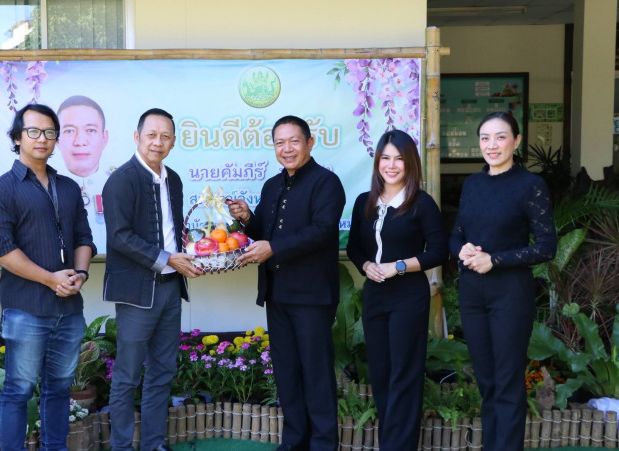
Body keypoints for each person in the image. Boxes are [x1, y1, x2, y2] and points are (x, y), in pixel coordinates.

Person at [0, 103, 96, 451]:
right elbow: (1, 250)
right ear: (17, 137)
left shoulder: (69, 187)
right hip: (26, 309)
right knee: (19, 390)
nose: (42, 138)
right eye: (33, 131)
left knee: (59, 388)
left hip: (68, 309)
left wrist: (80, 274)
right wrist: (50, 279)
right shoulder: (1, 190)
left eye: (49, 132)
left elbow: (84, 238)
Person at [226, 115, 345, 451]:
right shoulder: (272, 185)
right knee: (287, 373)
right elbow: (265, 231)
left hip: (312, 296)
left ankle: (323, 445)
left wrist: (274, 248)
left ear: (309, 143)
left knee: (316, 374)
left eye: (294, 141)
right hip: (277, 294)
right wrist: (247, 218)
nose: (287, 148)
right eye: (280, 142)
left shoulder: (326, 183)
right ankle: (294, 442)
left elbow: (321, 232)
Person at [450, 112, 556, 451]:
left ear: (516, 140)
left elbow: (546, 247)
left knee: (508, 380)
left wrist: (494, 260)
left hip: (510, 293)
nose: (491, 145)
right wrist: (462, 249)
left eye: (500, 137)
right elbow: (456, 234)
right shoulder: (473, 184)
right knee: (486, 380)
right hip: (472, 293)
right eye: (485, 138)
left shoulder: (530, 185)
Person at [102, 108, 201, 451]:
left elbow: (174, 232)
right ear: (137, 137)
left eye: (165, 136)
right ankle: (121, 446)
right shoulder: (121, 180)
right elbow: (119, 236)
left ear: (173, 142)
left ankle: (154, 444)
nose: (158, 142)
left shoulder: (174, 179)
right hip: (137, 293)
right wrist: (166, 259)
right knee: (127, 376)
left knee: (162, 372)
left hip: (172, 288)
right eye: (151, 135)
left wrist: (196, 252)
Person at [345, 129, 447, 450]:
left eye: (399, 159)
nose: (391, 165)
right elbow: (353, 248)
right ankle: (390, 442)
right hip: (375, 296)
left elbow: (439, 252)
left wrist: (399, 266)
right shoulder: (364, 202)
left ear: (410, 163)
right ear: (377, 162)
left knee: (404, 374)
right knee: (381, 372)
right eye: (385, 158)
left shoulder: (421, 203)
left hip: (408, 296)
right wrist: (366, 265)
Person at [57, 95, 111, 248]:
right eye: (69, 131)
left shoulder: (121, 184)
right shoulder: (46, 187)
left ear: (104, 138)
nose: (80, 141)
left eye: (90, 130)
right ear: (57, 139)